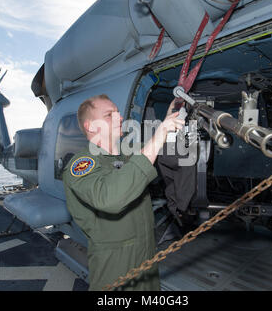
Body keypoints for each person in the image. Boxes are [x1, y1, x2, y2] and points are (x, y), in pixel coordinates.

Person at [62, 94, 184, 291]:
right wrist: (160, 132)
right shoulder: (82, 164)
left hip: (146, 254)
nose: (120, 118)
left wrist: (169, 117)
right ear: (91, 126)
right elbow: (110, 198)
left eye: (118, 113)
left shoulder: (126, 155)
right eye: (110, 115)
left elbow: (147, 154)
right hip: (115, 264)